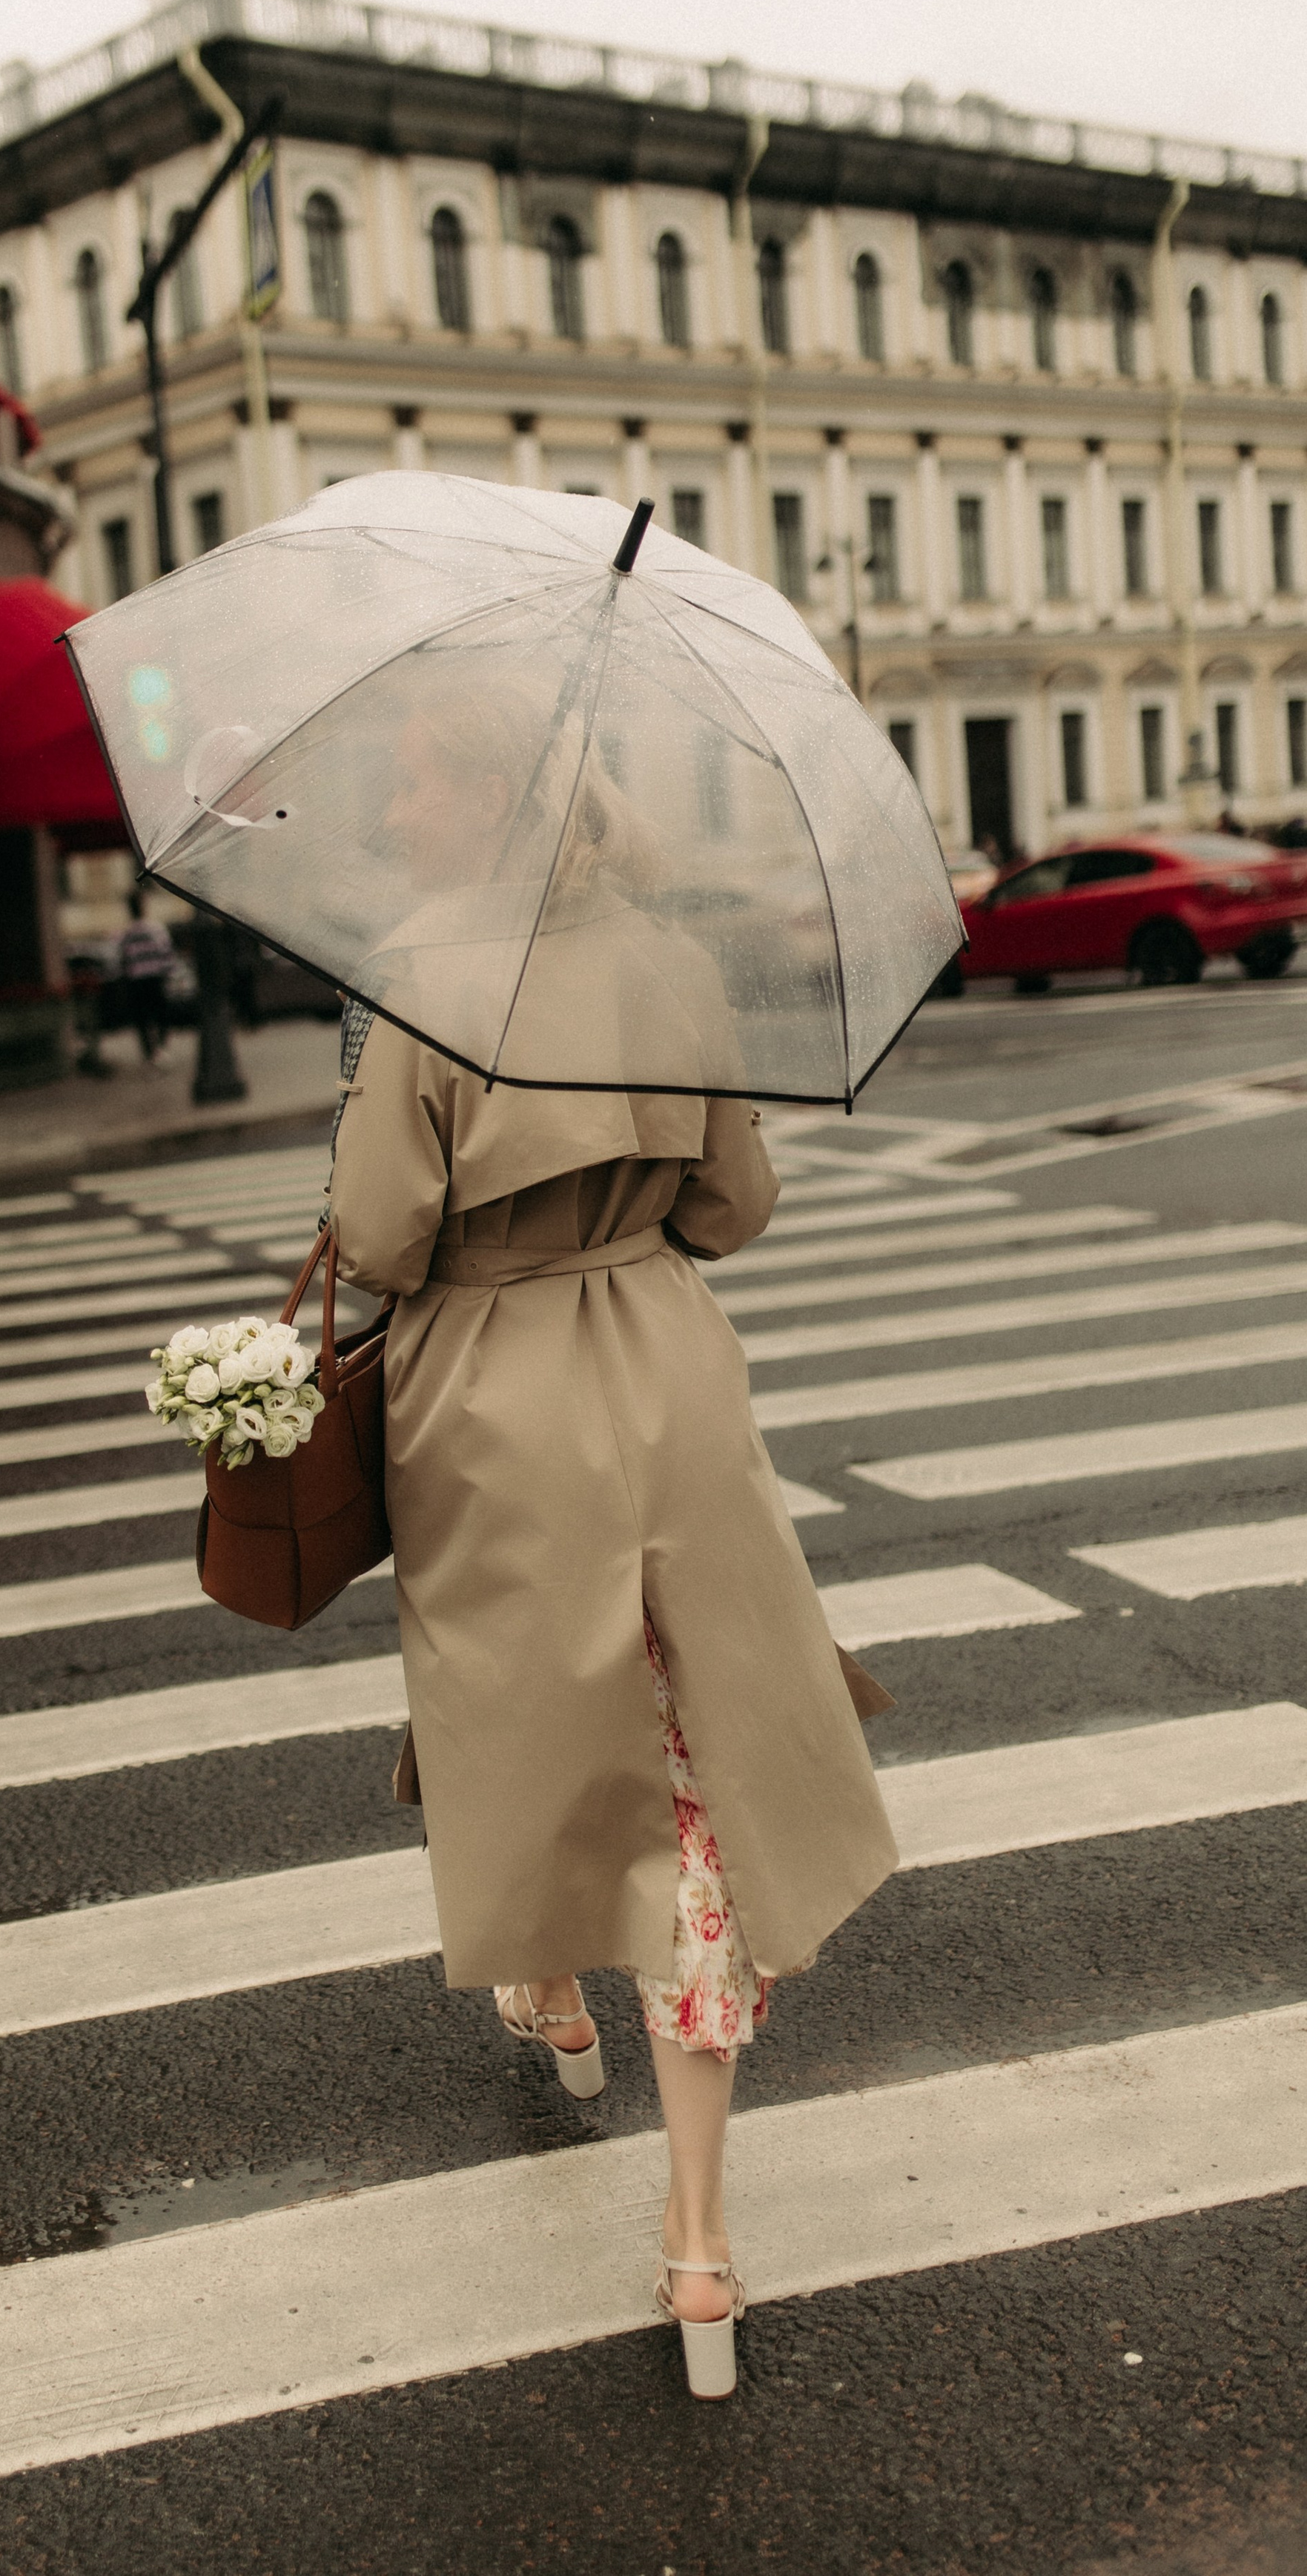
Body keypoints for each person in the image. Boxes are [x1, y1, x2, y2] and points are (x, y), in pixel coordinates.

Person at [326, 690, 897, 2403]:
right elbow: (734, 1207)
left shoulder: (417, 970)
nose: (398, 802)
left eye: (417, 772)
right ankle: (701, 2236)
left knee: (527, 1708)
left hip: (492, 1395)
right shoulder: (672, 961)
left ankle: (551, 1991)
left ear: (484, 789)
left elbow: (376, 1232)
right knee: (688, 1756)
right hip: (662, 1371)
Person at [115, 889, 176, 1063]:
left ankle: (149, 1053)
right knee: (161, 1015)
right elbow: (167, 955)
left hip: (137, 982)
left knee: (142, 1019)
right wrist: (168, 974)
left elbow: (123, 961)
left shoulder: (126, 934)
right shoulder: (156, 929)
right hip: (156, 979)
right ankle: (161, 1049)